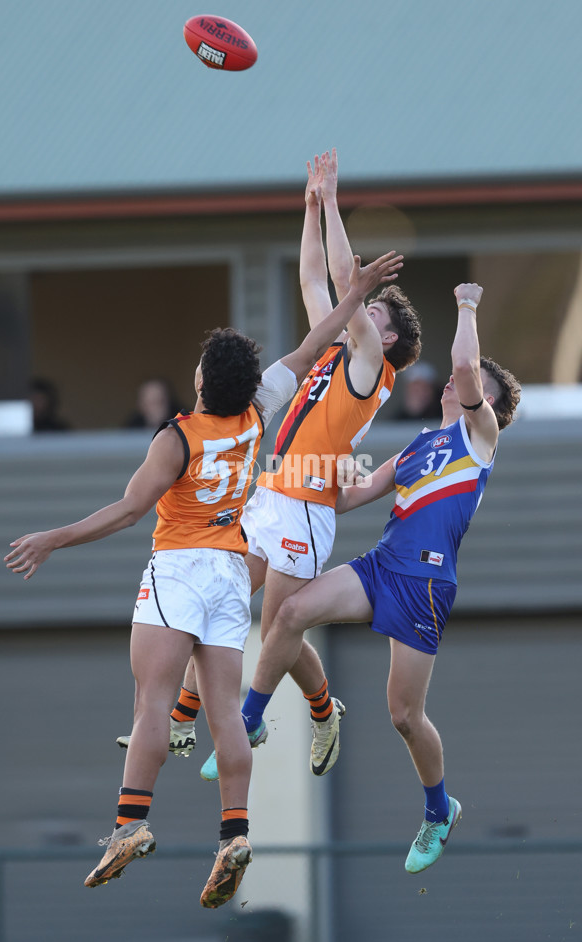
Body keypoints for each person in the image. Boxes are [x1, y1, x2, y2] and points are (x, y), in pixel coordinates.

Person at [4, 250, 402, 908]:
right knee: (226, 714)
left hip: (180, 569)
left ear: (199, 379)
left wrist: (54, 538)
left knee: (152, 705)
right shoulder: (256, 415)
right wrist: (355, 291)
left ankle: (130, 824)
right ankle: (235, 835)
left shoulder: (177, 438)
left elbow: (129, 511)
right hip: (229, 570)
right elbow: (308, 350)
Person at [130, 150, 421, 784]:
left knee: (279, 627)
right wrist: (311, 207)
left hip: (307, 509)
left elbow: (346, 280)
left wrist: (337, 202)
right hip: (270, 495)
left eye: (374, 313)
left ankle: (280, 715)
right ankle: (192, 714)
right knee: (224, 601)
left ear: (389, 338)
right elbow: (316, 282)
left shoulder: (372, 366)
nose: (362, 312)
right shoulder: (340, 346)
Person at [237, 282, 521, 875]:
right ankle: (250, 719)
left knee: (403, 716)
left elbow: (467, 364)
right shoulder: (420, 444)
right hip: (380, 567)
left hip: (425, 585)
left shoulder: (479, 441)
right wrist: (309, 465)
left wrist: (467, 305)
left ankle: (439, 809)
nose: (457, 383)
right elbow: (351, 496)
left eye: (475, 391)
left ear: (487, 406)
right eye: (460, 384)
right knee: (288, 614)